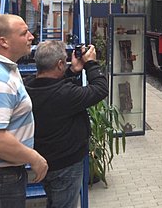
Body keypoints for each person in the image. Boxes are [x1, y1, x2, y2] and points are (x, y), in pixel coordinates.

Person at [25, 41, 107, 208]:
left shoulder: (28, 85)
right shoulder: (65, 94)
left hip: (45, 158)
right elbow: (100, 89)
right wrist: (91, 64)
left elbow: (52, 84)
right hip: (65, 165)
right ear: (60, 64)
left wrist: (72, 71)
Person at [0, 14, 48, 208]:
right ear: (3, 42)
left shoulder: (2, 69)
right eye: (23, 33)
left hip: (0, 176)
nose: (31, 37)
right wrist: (34, 158)